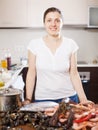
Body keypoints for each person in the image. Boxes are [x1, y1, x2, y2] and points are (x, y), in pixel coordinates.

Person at [23, 7, 91, 105]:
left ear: (62, 23)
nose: (53, 24)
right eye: (49, 20)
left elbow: (74, 74)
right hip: (43, 99)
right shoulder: (34, 45)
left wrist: (83, 99)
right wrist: (28, 99)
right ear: (44, 24)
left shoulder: (71, 44)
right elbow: (31, 73)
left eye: (57, 20)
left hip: (69, 98)